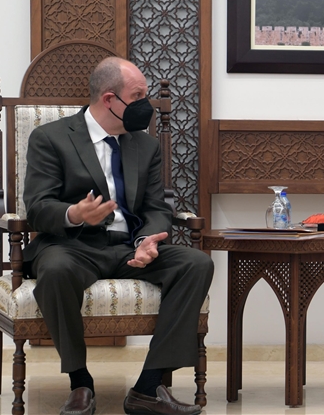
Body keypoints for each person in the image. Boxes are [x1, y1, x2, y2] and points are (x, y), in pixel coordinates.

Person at [22, 57, 214, 415]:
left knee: (195, 263)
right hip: (73, 246)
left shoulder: (146, 145)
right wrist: (74, 213)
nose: (146, 104)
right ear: (109, 99)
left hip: (129, 248)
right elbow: (37, 207)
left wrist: (147, 240)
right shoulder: (50, 138)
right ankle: (80, 382)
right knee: (56, 270)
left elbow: (156, 206)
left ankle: (147, 388)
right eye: (138, 96)